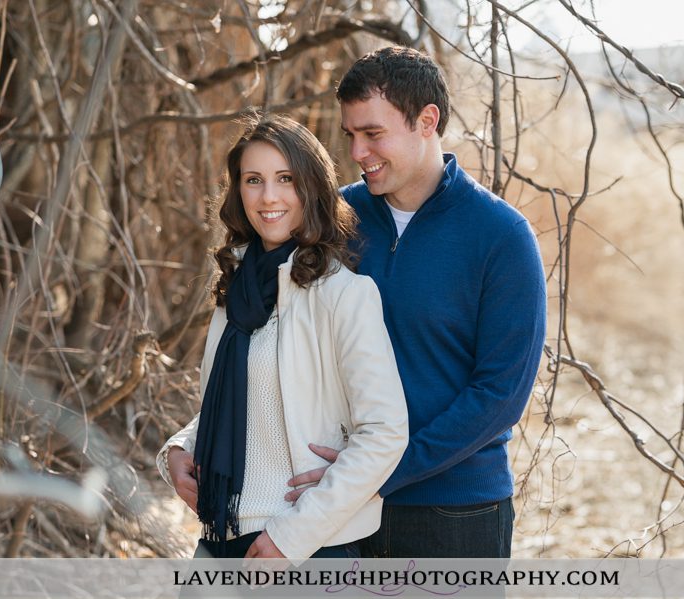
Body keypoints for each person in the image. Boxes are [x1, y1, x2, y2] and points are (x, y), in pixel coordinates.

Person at [283, 46, 548, 558]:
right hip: (330, 505)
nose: (358, 152)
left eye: (374, 134)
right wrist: (191, 442)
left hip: (450, 514)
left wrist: (377, 473)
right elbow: (269, 338)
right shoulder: (334, 222)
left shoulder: (501, 236)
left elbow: (499, 396)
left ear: (427, 121)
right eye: (351, 135)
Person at [156, 114, 408, 561]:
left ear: (311, 187)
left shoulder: (343, 295)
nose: (268, 196)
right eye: (253, 180)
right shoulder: (234, 291)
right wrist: (179, 449)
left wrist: (291, 538)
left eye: (285, 178)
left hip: (304, 548)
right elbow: (239, 404)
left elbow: (385, 433)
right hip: (219, 537)